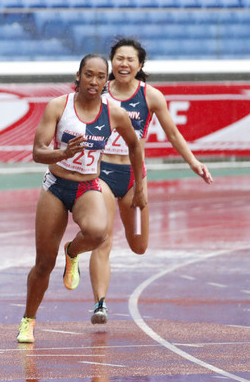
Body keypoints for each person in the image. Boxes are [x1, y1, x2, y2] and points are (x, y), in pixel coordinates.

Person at [16, 54, 147, 343]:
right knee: (43, 264)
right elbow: (38, 152)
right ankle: (28, 320)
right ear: (78, 75)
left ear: (106, 80)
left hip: (88, 186)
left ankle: (73, 251)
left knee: (99, 234)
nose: (95, 81)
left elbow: (135, 146)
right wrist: (63, 153)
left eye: (101, 77)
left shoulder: (114, 113)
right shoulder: (59, 106)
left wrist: (141, 185)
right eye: (89, 75)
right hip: (56, 186)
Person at [86, 38, 213, 324]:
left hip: (134, 177)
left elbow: (173, 134)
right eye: (119, 58)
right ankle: (100, 304)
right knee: (102, 238)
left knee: (139, 245)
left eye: (130, 59)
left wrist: (194, 163)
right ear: (111, 62)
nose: (124, 64)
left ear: (140, 65)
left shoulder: (151, 96)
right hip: (101, 172)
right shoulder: (100, 93)